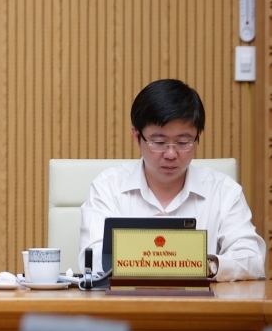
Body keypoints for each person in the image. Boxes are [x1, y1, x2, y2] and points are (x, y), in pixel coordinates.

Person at [79, 79, 264, 282]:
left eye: (183, 142)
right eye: (159, 142)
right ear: (136, 136)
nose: (170, 154)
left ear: (198, 136)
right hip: (127, 300)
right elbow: (93, 260)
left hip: (202, 302)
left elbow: (252, 260)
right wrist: (173, 262)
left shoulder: (223, 190)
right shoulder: (108, 187)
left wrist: (206, 265)